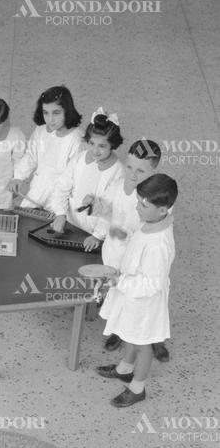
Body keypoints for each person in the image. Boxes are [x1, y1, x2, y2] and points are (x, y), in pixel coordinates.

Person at [96, 174, 177, 407]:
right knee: (128, 333)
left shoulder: (159, 245)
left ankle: (137, 388)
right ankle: (124, 368)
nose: (137, 206)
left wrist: (118, 281)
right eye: (139, 200)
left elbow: (151, 283)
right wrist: (124, 235)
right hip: (132, 295)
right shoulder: (151, 222)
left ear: (163, 210)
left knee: (143, 344)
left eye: (143, 204)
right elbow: (137, 240)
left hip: (145, 302)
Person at [97, 138, 169, 361]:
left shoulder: (158, 196)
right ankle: (119, 331)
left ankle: (155, 338)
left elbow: (154, 227)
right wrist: (97, 207)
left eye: (141, 170)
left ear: (154, 171)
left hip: (142, 260)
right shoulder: (118, 185)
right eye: (129, 167)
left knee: (150, 300)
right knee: (119, 293)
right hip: (116, 253)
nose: (133, 175)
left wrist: (127, 234)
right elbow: (107, 210)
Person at [49, 108, 124, 251]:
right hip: (70, 225)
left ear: (113, 145)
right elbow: (62, 187)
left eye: (102, 146)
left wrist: (97, 235)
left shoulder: (118, 172)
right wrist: (60, 213)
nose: (95, 151)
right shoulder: (80, 158)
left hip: (96, 236)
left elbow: (113, 209)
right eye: (91, 144)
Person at [12, 84, 83, 209]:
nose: (50, 119)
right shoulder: (40, 131)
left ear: (67, 110)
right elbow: (30, 157)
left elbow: (74, 177)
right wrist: (18, 177)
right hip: (37, 192)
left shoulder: (76, 139)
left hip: (59, 198)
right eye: (46, 113)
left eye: (56, 113)